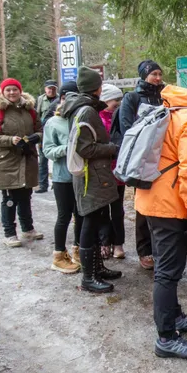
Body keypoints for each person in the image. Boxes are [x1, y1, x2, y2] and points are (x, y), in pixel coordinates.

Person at [135, 84, 187, 359]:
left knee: (165, 268)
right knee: (167, 272)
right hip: (170, 206)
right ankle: (166, 337)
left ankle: (175, 316)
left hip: (150, 199)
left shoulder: (169, 109)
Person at [61, 67, 122, 293]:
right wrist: (112, 148)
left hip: (94, 175)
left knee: (96, 219)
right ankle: (88, 277)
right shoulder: (86, 110)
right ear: (97, 88)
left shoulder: (82, 107)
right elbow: (85, 148)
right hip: (90, 177)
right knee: (89, 223)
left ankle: (97, 268)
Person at [112, 60, 164, 270]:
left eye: (160, 74)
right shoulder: (132, 98)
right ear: (144, 76)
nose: (158, 78)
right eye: (153, 74)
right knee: (144, 206)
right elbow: (127, 129)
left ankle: (160, 247)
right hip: (141, 157)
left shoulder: (164, 96)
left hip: (163, 156)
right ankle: (145, 250)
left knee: (161, 204)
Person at [0, 78, 44, 248]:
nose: (11, 93)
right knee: (9, 199)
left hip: (27, 158)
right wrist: (10, 140)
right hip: (8, 161)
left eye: (14, 90)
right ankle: (9, 233)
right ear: (3, 92)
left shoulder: (29, 109)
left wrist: (35, 137)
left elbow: (40, 130)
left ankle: (27, 228)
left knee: (26, 195)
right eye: (8, 90)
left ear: (20, 90)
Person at [42, 82, 83, 274]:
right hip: (62, 178)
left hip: (81, 176)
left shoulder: (80, 117)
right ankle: (58, 256)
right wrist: (69, 148)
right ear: (62, 98)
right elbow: (48, 150)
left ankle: (78, 250)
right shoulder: (53, 122)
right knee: (64, 216)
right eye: (69, 96)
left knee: (81, 215)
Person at [98, 84, 127, 260]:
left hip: (118, 171)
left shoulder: (121, 117)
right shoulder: (96, 118)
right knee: (102, 210)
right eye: (114, 100)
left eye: (119, 100)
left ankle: (118, 243)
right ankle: (104, 242)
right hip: (102, 171)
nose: (118, 103)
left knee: (117, 210)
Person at [36, 79, 59, 193]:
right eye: (49, 88)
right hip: (44, 133)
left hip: (57, 133)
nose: (51, 90)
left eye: (53, 88)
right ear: (45, 89)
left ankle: (57, 183)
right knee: (43, 159)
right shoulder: (40, 100)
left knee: (57, 158)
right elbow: (36, 116)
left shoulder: (60, 99)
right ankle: (43, 185)